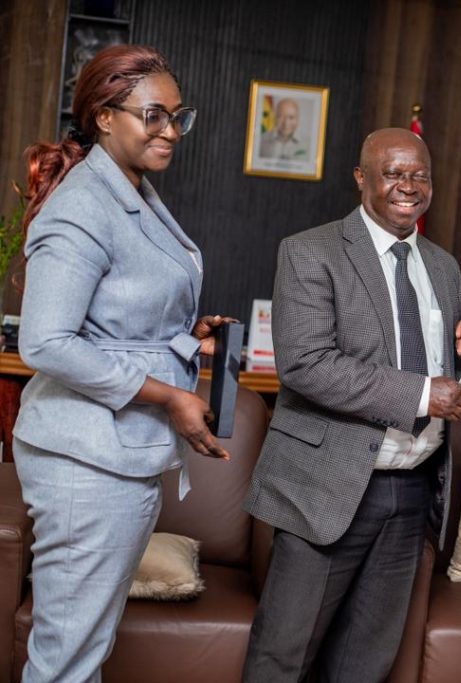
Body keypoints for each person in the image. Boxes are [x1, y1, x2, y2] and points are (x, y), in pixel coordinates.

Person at [14, 44, 231, 682]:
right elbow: (46, 342)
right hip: (84, 464)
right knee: (67, 659)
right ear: (105, 117)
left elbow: (117, 319)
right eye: (153, 115)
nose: (171, 131)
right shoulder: (83, 205)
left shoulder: (131, 190)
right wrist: (168, 394)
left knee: (86, 649)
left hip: (117, 455)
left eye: (178, 117)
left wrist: (183, 335)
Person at [243, 128, 461, 682]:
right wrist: (424, 394)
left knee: (366, 662)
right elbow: (306, 364)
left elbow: (445, 362)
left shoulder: (444, 267)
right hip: (329, 484)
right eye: (393, 173)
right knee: (284, 655)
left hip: (413, 489)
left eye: (419, 175)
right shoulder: (311, 251)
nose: (408, 186)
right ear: (361, 178)